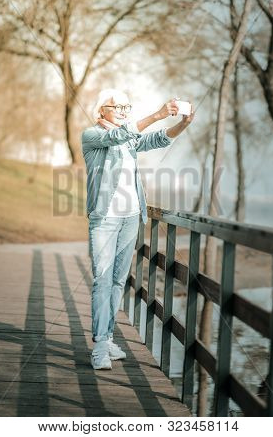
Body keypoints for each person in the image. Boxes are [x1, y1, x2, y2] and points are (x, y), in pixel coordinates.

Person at [81, 89, 195, 370]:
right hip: (105, 219)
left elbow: (156, 139)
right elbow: (117, 136)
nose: (122, 110)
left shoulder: (129, 138)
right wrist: (157, 114)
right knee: (102, 280)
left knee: (119, 281)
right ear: (101, 111)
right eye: (116, 106)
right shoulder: (92, 136)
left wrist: (181, 124)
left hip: (131, 217)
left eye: (126, 107)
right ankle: (99, 346)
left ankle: (107, 340)